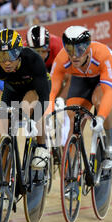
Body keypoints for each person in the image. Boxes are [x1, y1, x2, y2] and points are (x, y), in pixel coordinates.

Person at [47, 26, 112, 159]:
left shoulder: (102, 54)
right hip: (82, 78)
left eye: (80, 49)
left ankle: (111, 141)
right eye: (70, 49)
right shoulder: (61, 59)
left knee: (99, 101)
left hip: (106, 73)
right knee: (73, 117)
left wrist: (100, 118)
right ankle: (71, 170)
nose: (75, 55)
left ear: (88, 48)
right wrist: (47, 115)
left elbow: (108, 92)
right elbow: (51, 93)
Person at [0, 28, 51, 169]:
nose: (6, 62)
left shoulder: (32, 59)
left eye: (11, 55)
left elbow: (43, 97)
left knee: (27, 106)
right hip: (12, 90)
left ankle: (42, 147)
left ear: (19, 52)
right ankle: (3, 163)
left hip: (35, 89)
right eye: (1, 56)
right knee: (0, 120)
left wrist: (33, 118)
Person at [26, 25, 70, 155]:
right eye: (36, 51)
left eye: (43, 51)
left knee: (61, 108)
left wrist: (61, 99)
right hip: (36, 72)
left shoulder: (58, 47)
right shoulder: (23, 50)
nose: (39, 55)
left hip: (54, 70)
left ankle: (63, 141)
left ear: (48, 47)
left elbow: (69, 78)